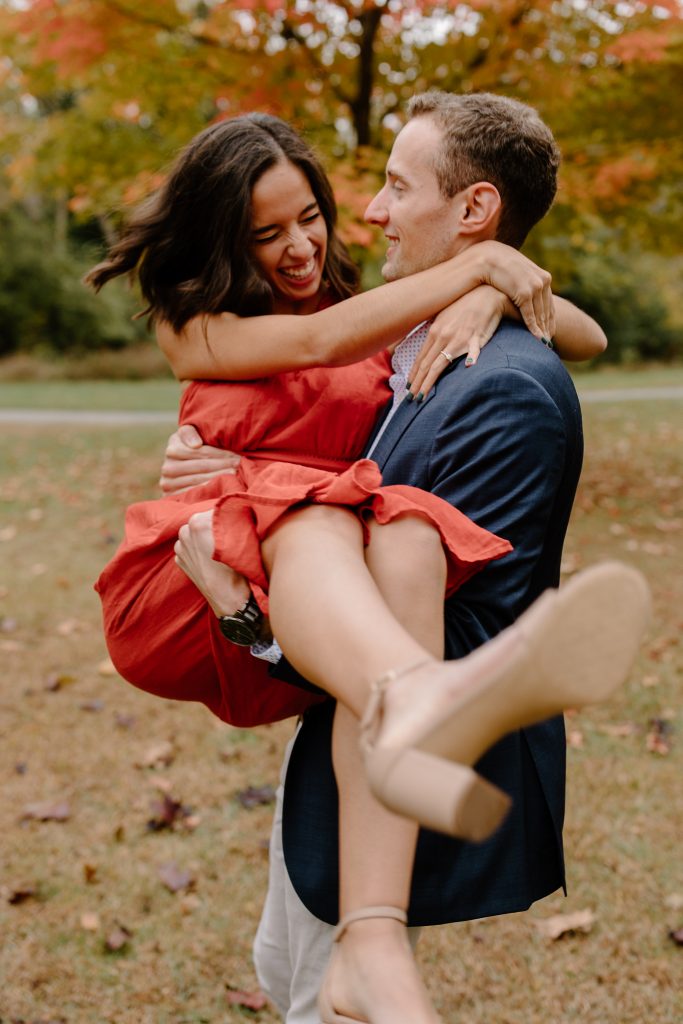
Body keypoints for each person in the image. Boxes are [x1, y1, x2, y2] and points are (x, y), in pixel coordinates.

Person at [155, 94, 650, 1024]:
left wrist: (496, 282)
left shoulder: (490, 384)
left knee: (408, 534)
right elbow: (308, 351)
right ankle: (405, 701)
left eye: (382, 187)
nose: (357, 216)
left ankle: (381, 875)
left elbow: (583, 336)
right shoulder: (262, 323)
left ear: (472, 210)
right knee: (280, 961)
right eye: (269, 231)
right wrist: (489, 272)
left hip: (346, 693)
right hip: (259, 597)